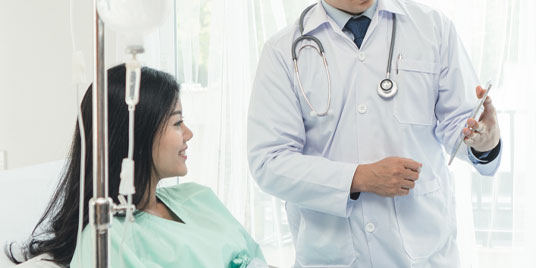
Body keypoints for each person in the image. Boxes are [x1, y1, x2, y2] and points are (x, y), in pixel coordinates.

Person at [247, 0, 501, 267]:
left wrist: (484, 143)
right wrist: (359, 178)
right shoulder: (282, 51)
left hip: (424, 254)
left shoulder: (433, 27)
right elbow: (269, 162)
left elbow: (460, 124)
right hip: (331, 255)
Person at [7, 64, 266, 267]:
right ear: (137, 135)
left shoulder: (197, 197)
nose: (188, 133)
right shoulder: (108, 238)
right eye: (177, 123)